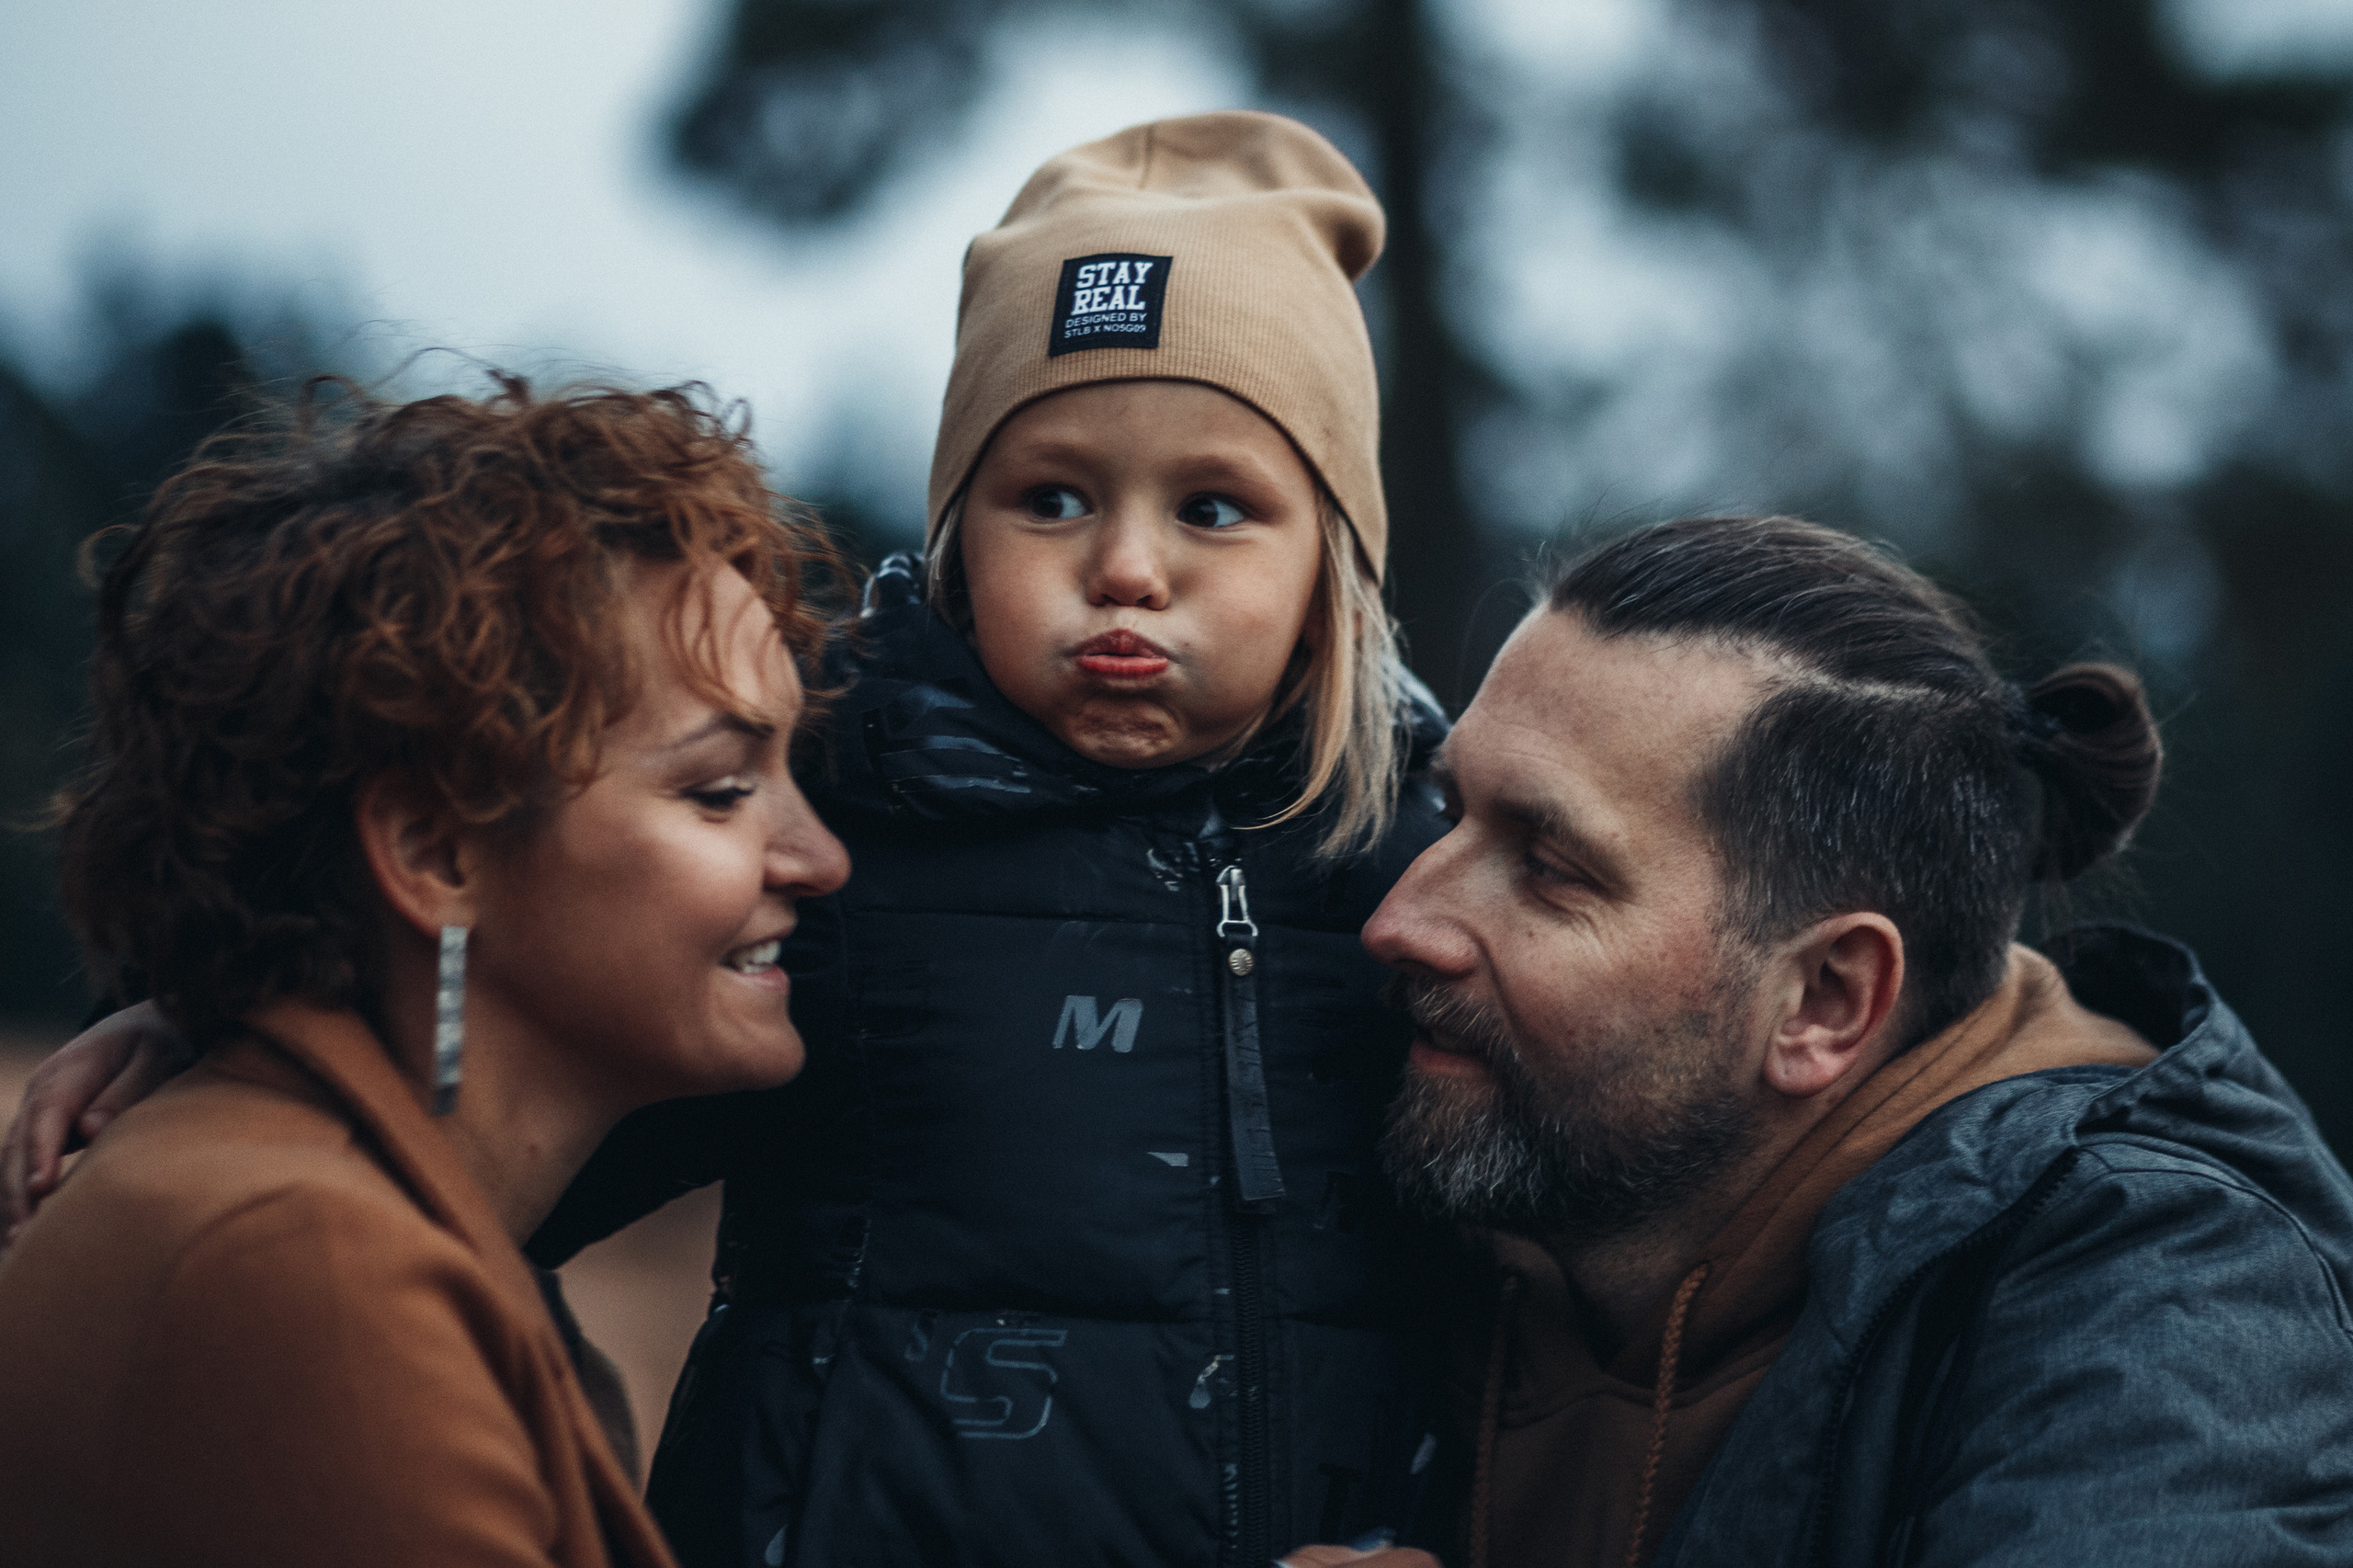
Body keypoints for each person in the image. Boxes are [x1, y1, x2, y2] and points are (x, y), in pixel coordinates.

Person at [6, 113, 1456, 1568]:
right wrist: (226, 1020)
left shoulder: (1417, 873)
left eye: (1215, 507)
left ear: (1333, 564)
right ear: (959, 542)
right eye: (1053, 498)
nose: (1126, 567)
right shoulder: (857, 835)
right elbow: (502, 1094)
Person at [1361, 515, 2353, 1566]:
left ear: (1824, 1000)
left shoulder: (2173, 1305)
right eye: (1446, 806)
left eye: (1550, 866)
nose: (1397, 922)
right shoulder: (1471, 1167)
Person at [0, 380, 852, 1567]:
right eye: (720, 791)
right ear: (434, 853)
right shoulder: (310, 1276)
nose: (822, 857)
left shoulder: (331, 1209)